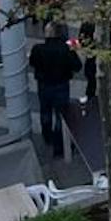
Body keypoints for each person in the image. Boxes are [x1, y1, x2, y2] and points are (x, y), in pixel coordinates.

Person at [29, 22, 82, 158]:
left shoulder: (38, 49)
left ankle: (47, 137)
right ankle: (59, 146)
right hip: (61, 85)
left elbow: (33, 63)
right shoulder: (66, 49)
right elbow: (77, 66)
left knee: (45, 112)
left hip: (44, 85)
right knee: (61, 116)